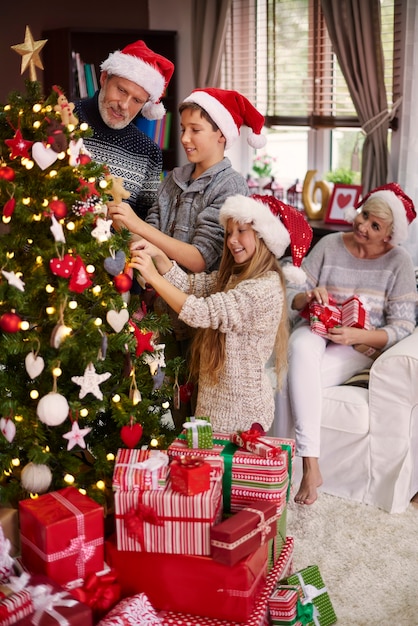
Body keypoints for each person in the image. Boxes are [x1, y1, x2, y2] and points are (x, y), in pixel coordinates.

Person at [274, 182, 417, 506]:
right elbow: (289, 294)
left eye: (375, 225)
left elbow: (404, 327)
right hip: (315, 329)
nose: (363, 226)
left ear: (389, 236)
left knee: (288, 381)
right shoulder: (330, 244)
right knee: (298, 351)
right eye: (364, 215)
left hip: (357, 347)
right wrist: (306, 296)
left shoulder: (399, 262)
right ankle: (306, 465)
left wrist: (359, 336)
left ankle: (287, 469)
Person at [128, 194, 313, 433]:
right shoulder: (237, 277)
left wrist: (152, 277)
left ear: (264, 236)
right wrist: (159, 257)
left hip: (242, 413)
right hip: (214, 404)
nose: (232, 240)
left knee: (228, 469)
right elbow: (191, 287)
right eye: (228, 232)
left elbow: (201, 312)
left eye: (241, 231)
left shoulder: (264, 288)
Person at [108, 88, 266, 274]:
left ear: (222, 135)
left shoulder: (230, 186)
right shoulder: (173, 179)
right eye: (183, 129)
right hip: (159, 297)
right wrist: (122, 226)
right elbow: (150, 237)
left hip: (199, 300)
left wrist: (136, 224)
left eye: (195, 130)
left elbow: (200, 259)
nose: (184, 138)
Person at [74, 40, 174, 219]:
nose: (124, 105)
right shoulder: (64, 119)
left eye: (137, 100)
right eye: (121, 90)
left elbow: (149, 221)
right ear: (104, 78)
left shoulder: (148, 152)